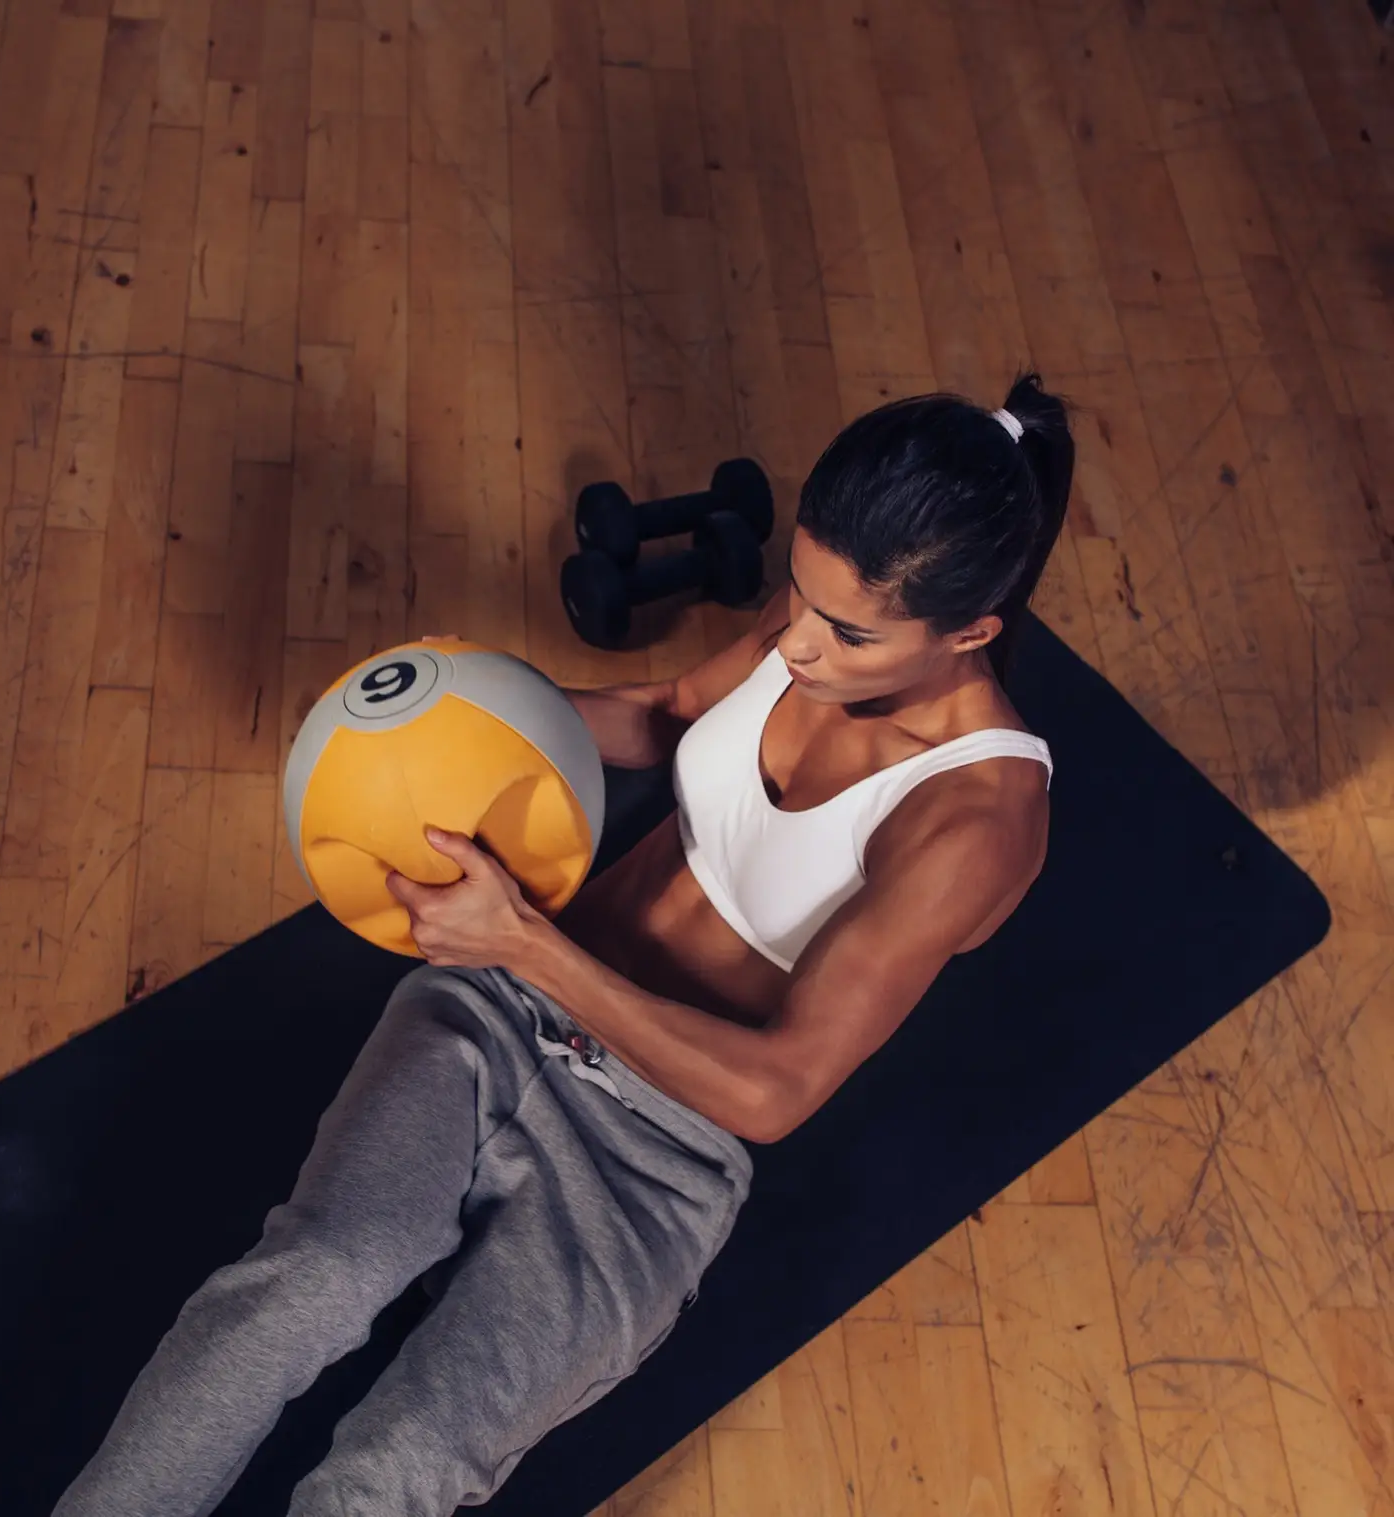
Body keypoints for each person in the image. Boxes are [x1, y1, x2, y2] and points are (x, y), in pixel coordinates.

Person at [52, 374, 1076, 1517]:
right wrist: (459, 704)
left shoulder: (977, 819)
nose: (797, 643)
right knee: (306, 1281)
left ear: (971, 631)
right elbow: (668, 711)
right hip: (496, 1010)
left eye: (845, 630)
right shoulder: (815, 635)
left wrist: (529, 943)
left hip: (656, 1153)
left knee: (403, 1463)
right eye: (797, 588)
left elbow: (779, 1085)